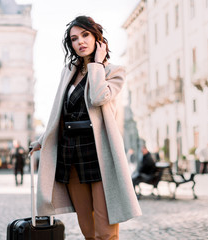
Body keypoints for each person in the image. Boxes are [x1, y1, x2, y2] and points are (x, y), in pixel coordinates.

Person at [29, 16, 141, 239]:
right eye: (74, 39)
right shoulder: (68, 72)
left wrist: (97, 64)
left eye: (85, 35)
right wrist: (43, 139)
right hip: (70, 154)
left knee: (105, 230)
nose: (80, 41)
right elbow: (59, 112)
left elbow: (99, 97)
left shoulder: (113, 71)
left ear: (97, 37)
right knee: (87, 228)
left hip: (98, 155)